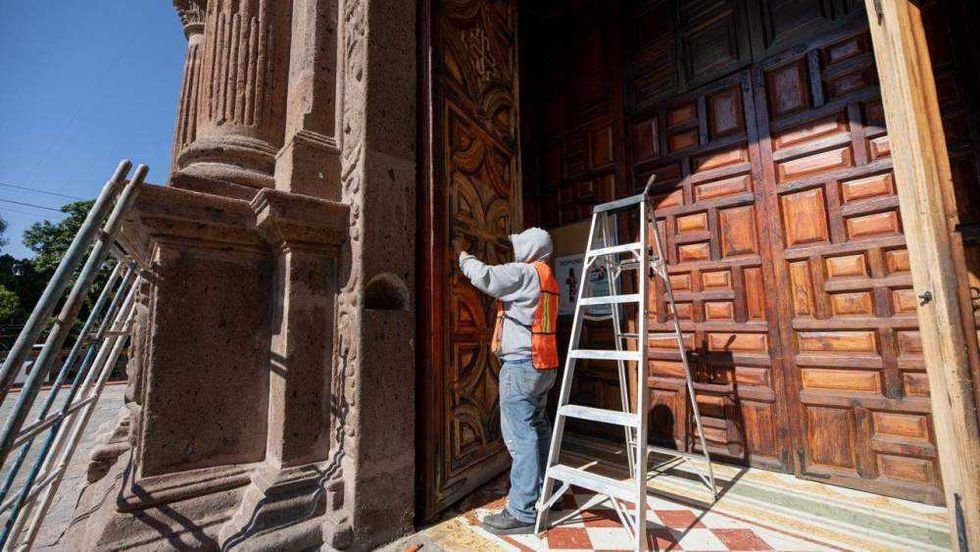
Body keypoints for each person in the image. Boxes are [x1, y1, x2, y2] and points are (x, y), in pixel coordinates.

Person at [458, 227, 560, 535]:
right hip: (543, 364)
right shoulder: (548, 277)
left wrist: (462, 255)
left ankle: (521, 511)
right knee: (538, 427)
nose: (515, 250)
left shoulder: (526, 273)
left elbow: (486, 277)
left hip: (522, 365)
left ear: (531, 248)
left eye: (519, 245)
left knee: (520, 436)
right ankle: (546, 491)